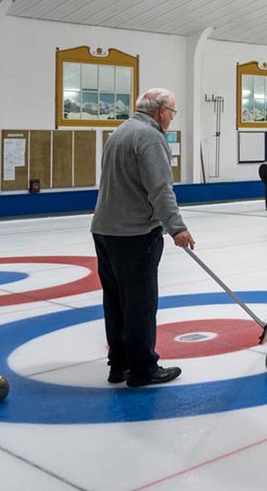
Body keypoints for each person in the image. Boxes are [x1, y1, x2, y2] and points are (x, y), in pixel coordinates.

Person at [91, 89, 194, 388]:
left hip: (105, 230)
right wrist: (177, 227)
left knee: (116, 301)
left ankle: (119, 364)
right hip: (134, 234)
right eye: (172, 112)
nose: (173, 118)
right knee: (140, 302)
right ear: (161, 111)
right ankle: (142, 368)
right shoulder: (150, 137)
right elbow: (160, 188)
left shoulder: (120, 132)